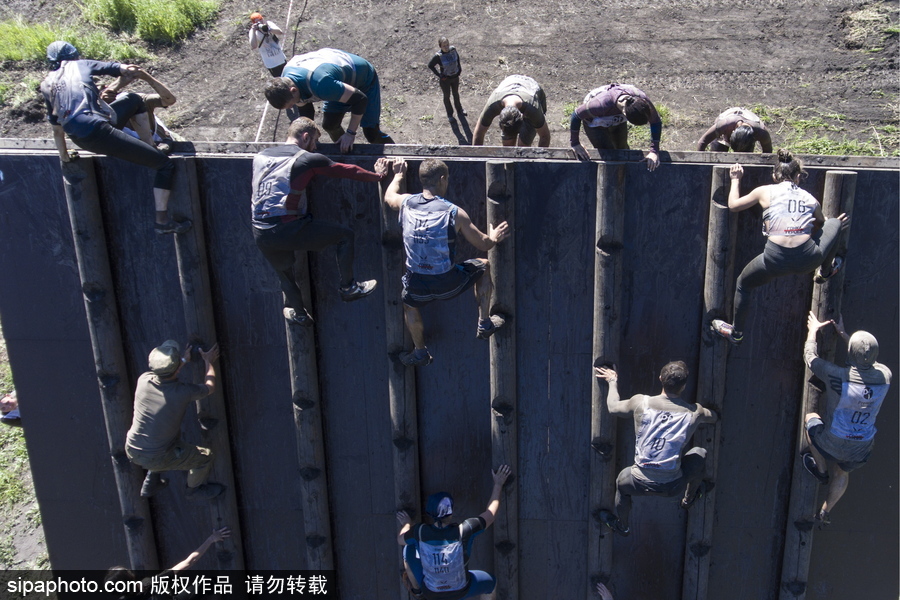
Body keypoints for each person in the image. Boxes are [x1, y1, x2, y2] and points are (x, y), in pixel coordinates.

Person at [252, 117, 390, 326]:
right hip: (287, 227)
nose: (316, 146)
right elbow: (347, 170)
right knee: (344, 236)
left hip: (260, 230)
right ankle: (349, 287)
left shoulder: (261, 155)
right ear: (305, 137)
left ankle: (299, 314)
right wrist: (377, 176)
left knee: (285, 276)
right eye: (315, 141)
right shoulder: (306, 159)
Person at [39, 41, 187, 234]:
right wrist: (129, 70)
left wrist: (64, 157)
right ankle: (161, 221)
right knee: (164, 165)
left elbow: (57, 129)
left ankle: (148, 145)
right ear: (75, 56)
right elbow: (114, 68)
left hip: (80, 137)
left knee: (134, 100)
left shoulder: (46, 84)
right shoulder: (79, 64)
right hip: (99, 131)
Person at [710, 150, 849, 345]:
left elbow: (733, 205)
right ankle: (825, 272)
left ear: (775, 176)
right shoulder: (810, 198)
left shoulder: (765, 191)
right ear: (798, 177)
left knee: (743, 284)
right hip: (808, 259)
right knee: (834, 223)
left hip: (774, 260)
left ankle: (737, 333)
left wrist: (735, 179)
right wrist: (828, 224)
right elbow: (820, 223)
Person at [382, 158, 510, 367]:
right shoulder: (454, 213)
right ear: (442, 179)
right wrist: (494, 236)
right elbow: (484, 244)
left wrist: (397, 175)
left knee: (409, 304)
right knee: (484, 265)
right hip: (448, 284)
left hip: (417, 286)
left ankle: (420, 352)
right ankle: (484, 323)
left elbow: (389, 197)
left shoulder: (405, 203)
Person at [594, 362, 718, 536]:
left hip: (636, 482)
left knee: (622, 482)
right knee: (700, 454)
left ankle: (623, 525)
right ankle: (688, 499)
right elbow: (713, 417)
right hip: (672, 487)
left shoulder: (640, 402)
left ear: (660, 379)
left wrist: (612, 381)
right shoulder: (694, 413)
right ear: (683, 386)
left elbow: (613, 407)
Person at [801, 312, 891, 528]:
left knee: (810, 419)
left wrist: (813, 330)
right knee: (842, 471)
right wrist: (844, 335)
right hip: (861, 449)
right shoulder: (885, 376)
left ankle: (821, 470)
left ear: (850, 353)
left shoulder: (837, 376)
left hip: (831, 443)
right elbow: (871, 361)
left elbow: (810, 358)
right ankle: (825, 512)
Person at [125, 340, 224, 501]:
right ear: (176, 366)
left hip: (132, 448)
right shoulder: (182, 392)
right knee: (205, 458)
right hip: (156, 455)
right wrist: (208, 361)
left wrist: (183, 361)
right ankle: (193, 490)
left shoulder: (144, 380)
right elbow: (209, 387)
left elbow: (166, 376)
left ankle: (152, 479)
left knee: (166, 436)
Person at [397, 465, 511, 600]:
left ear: (430, 512)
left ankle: (417, 592)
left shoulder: (420, 532)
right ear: (451, 512)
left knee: (408, 548)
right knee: (491, 583)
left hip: (431, 591)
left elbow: (400, 539)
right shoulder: (465, 530)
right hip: (462, 590)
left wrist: (406, 524)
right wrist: (498, 484)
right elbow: (490, 515)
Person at [263, 48, 395, 152]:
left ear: (293, 90)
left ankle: (396, 152)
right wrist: (305, 138)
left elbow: (360, 99)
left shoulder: (321, 84)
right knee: (330, 125)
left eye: (292, 104)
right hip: (335, 80)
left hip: (362, 80)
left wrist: (350, 133)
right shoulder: (288, 80)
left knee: (371, 134)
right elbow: (306, 111)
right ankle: (346, 150)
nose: (293, 107)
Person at [105, 527, 231, 598]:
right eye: (127, 571)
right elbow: (190, 561)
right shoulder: (152, 585)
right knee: (212, 583)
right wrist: (211, 539)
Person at [569, 83, 662, 171]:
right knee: (608, 153)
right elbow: (576, 115)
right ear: (625, 113)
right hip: (596, 123)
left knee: (623, 149)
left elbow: (655, 122)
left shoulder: (642, 100)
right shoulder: (600, 104)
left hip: (617, 120)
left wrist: (654, 151)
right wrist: (575, 143)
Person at [101, 69, 178, 151]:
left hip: (160, 142)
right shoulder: (98, 112)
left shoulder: (136, 100)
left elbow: (169, 100)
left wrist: (147, 78)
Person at [472, 75, 550, 147]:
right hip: (510, 83)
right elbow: (479, 133)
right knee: (507, 145)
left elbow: (545, 136)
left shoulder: (533, 109)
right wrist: (477, 161)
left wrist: (541, 160)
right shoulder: (492, 105)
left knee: (523, 146)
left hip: (531, 88)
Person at [697, 107, 772, 153]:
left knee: (746, 159)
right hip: (725, 129)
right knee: (718, 152)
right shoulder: (724, 125)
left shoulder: (761, 132)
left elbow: (768, 153)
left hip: (749, 136)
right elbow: (702, 142)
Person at [427, 37, 465, 122]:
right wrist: (439, 75)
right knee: (447, 96)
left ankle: (459, 110)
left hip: (455, 77)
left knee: (456, 94)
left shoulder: (453, 50)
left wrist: (459, 69)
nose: (446, 47)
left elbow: (457, 59)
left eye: (447, 44)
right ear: (440, 46)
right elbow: (430, 65)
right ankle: (450, 115)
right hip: (445, 80)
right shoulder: (438, 56)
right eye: (444, 46)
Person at [249, 12, 287, 77]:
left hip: (281, 59)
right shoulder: (253, 32)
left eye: (260, 20)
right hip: (271, 63)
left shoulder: (269, 24)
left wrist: (269, 29)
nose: (260, 23)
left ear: (263, 18)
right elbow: (253, 46)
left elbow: (280, 32)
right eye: (257, 22)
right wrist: (253, 30)